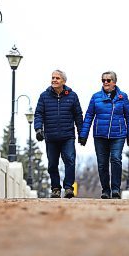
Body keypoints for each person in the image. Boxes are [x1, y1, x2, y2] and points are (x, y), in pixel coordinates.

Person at [78, 71, 129, 199]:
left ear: (114, 82)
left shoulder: (122, 97)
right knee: (102, 164)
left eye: (108, 80)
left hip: (118, 135)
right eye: (103, 80)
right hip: (100, 135)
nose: (105, 82)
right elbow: (88, 116)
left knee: (116, 159)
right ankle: (105, 190)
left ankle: (115, 189)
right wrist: (83, 135)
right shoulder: (96, 97)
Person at [34, 69, 83, 198]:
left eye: (57, 78)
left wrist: (81, 133)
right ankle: (55, 188)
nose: (54, 80)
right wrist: (38, 129)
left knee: (70, 161)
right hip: (51, 136)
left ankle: (68, 188)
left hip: (68, 136)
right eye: (53, 78)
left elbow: (78, 115)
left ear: (64, 81)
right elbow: (39, 113)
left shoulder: (72, 96)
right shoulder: (44, 96)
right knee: (52, 164)